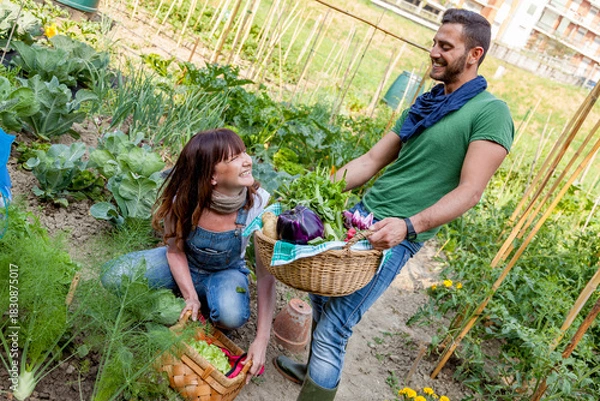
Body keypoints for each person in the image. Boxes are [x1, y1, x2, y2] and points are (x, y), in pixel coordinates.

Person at [273, 8, 514, 400]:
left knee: (337, 325)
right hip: (361, 217)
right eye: (435, 42)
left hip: (395, 235)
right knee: (324, 298)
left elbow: (470, 191)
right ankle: (312, 373)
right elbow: (369, 162)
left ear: (474, 54)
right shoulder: (426, 104)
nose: (433, 51)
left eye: (445, 46)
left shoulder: (490, 112)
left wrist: (409, 225)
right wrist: (307, 195)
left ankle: (317, 382)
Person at [101, 128, 276, 383]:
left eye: (243, 152)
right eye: (234, 158)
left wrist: (262, 339)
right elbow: (174, 249)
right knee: (113, 277)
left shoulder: (257, 205)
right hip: (183, 262)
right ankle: (190, 298)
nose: (247, 159)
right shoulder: (183, 198)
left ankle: (202, 301)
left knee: (230, 315)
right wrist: (190, 296)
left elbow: (265, 277)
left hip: (225, 272)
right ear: (212, 176)